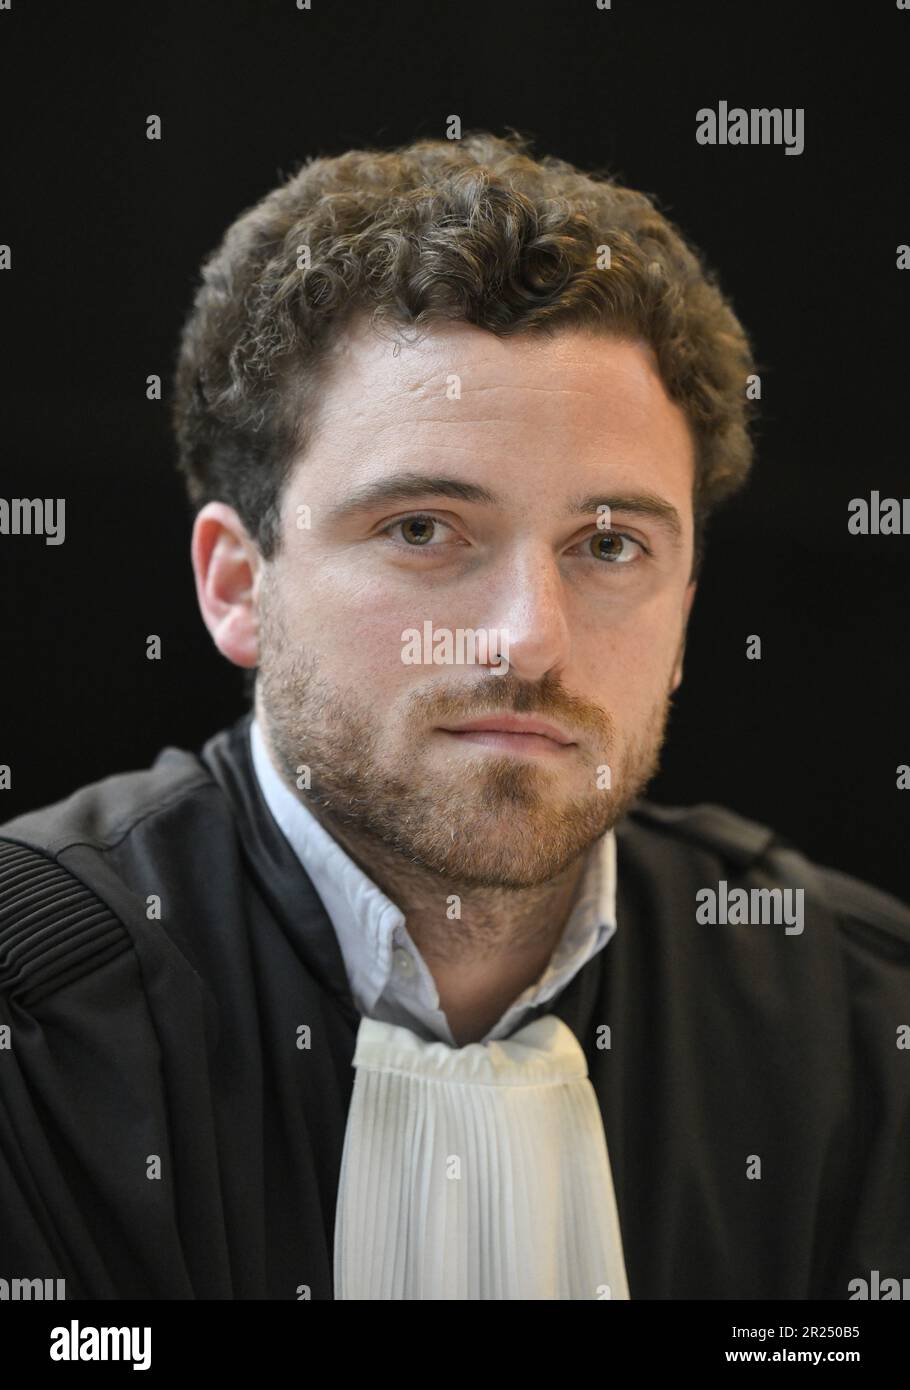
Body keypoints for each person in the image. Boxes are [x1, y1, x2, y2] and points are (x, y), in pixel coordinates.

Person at [1, 131, 907, 1301]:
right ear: (238, 584)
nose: (529, 638)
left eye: (610, 544)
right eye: (423, 528)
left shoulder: (865, 1029)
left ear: (685, 611)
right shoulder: (31, 1022)